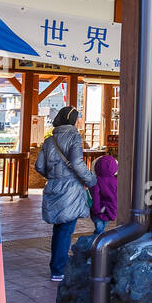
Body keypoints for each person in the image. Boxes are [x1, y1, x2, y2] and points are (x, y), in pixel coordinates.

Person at [34, 106, 96, 282]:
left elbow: (39, 166)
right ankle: (58, 269)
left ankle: (56, 265)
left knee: (59, 229)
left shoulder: (49, 140)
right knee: (66, 229)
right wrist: (91, 180)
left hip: (54, 186)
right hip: (70, 188)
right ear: (73, 120)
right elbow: (77, 163)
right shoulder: (74, 137)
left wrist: (53, 177)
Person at [88, 134, 119, 242]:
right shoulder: (116, 181)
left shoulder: (96, 181)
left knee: (98, 231)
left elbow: (95, 197)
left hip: (99, 210)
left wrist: (96, 209)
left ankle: (96, 249)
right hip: (110, 210)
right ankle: (100, 246)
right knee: (102, 229)